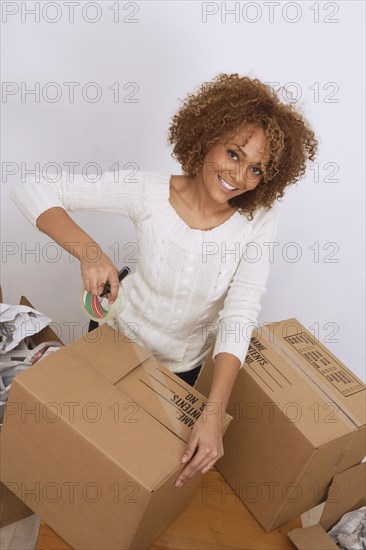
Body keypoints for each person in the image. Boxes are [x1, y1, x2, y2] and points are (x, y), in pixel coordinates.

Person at [10, 73, 318, 489]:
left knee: (131, 469)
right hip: (112, 339)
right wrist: (90, 252)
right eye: (233, 153)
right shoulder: (148, 192)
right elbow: (33, 188)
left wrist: (213, 412)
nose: (238, 175)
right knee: (77, 446)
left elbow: (240, 313)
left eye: (256, 169)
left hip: (179, 370)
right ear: (206, 136)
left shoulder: (257, 221)